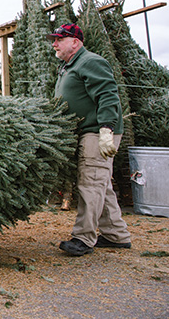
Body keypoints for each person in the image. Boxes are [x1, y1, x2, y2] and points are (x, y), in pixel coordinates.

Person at [48, 23, 132, 256]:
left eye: (59, 39)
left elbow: (107, 94)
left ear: (75, 42)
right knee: (101, 184)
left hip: (98, 131)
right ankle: (116, 235)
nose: (54, 44)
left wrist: (106, 128)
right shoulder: (69, 65)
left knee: (90, 183)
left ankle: (83, 238)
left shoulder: (90, 62)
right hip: (88, 130)